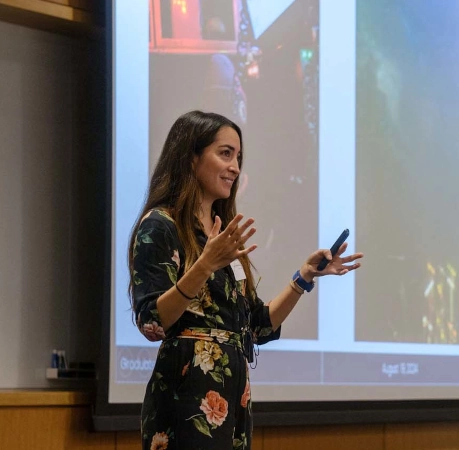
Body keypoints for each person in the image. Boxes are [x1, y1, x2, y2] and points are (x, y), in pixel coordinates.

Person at [128, 110, 362, 449]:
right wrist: (205, 265)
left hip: (232, 394)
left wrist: (304, 278)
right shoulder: (161, 226)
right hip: (186, 394)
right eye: (225, 154)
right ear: (191, 158)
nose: (235, 167)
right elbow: (151, 320)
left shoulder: (223, 233)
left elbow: (256, 325)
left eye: (238, 157)